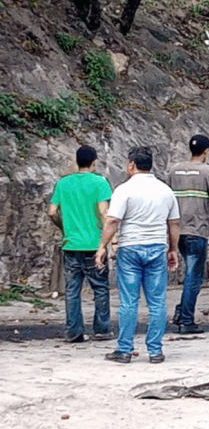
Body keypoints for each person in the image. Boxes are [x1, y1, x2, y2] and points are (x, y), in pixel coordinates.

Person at [96, 147, 180, 364]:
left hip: (130, 248)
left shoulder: (124, 190)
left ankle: (124, 349)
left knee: (129, 302)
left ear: (131, 164)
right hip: (156, 248)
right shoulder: (166, 191)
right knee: (157, 301)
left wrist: (102, 246)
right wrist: (172, 249)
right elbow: (174, 224)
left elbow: (113, 220)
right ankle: (155, 351)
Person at [47, 145, 113, 343]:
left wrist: (63, 227)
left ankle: (74, 332)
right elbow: (104, 212)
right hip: (94, 244)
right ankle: (101, 330)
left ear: (77, 161)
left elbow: (51, 211)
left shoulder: (63, 183)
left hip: (71, 244)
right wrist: (110, 240)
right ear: (94, 162)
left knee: (72, 290)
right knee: (100, 288)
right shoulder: (100, 182)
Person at [167, 134, 209, 334]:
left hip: (175, 231)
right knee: (194, 277)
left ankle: (180, 311)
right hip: (197, 230)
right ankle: (186, 319)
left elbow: (167, 197)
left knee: (189, 273)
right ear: (206, 151)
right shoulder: (207, 171)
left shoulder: (174, 170)